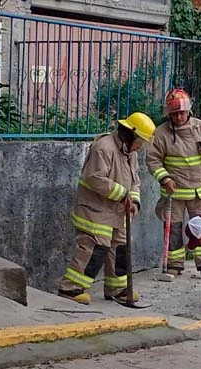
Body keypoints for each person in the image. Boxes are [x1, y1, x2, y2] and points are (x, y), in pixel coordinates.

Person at [58, 112, 156, 305]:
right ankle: (69, 289)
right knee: (95, 248)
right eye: (140, 141)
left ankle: (117, 289)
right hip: (95, 210)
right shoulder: (104, 148)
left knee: (120, 248)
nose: (141, 146)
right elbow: (94, 178)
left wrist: (134, 201)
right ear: (130, 135)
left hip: (117, 211)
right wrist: (123, 195)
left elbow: (135, 181)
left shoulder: (131, 153)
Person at [146, 88, 201, 280]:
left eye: (182, 112)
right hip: (174, 193)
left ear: (189, 111)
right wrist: (165, 178)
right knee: (173, 228)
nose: (179, 117)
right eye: (174, 114)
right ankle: (174, 266)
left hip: (200, 191)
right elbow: (153, 160)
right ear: (169, 114)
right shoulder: (161, 133)